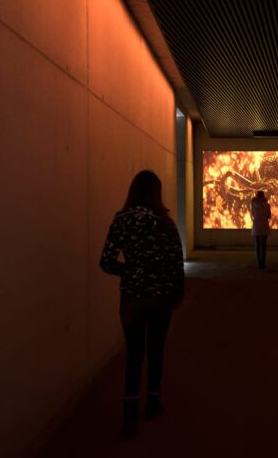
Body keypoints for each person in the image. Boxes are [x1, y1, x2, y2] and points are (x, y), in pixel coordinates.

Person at [99, 170, 184, 438]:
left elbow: (106, 262)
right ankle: (153, 403)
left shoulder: (121, 221)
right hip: (160, 297)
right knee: (155, 352)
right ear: (156, 193)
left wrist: (131, 271)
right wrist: (176, 293)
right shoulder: (165, 222)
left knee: (134, 355)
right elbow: (176, 263)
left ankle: (129, 417)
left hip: (132, 298)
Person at [250, 190, 271, 269]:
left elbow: (252, 214)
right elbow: (269, 216)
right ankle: (263, 263)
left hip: (256, 226)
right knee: (263, 245)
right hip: (264, 225)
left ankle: (259, 263)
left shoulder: (253, 205)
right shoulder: (267, 205)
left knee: (257, 245)